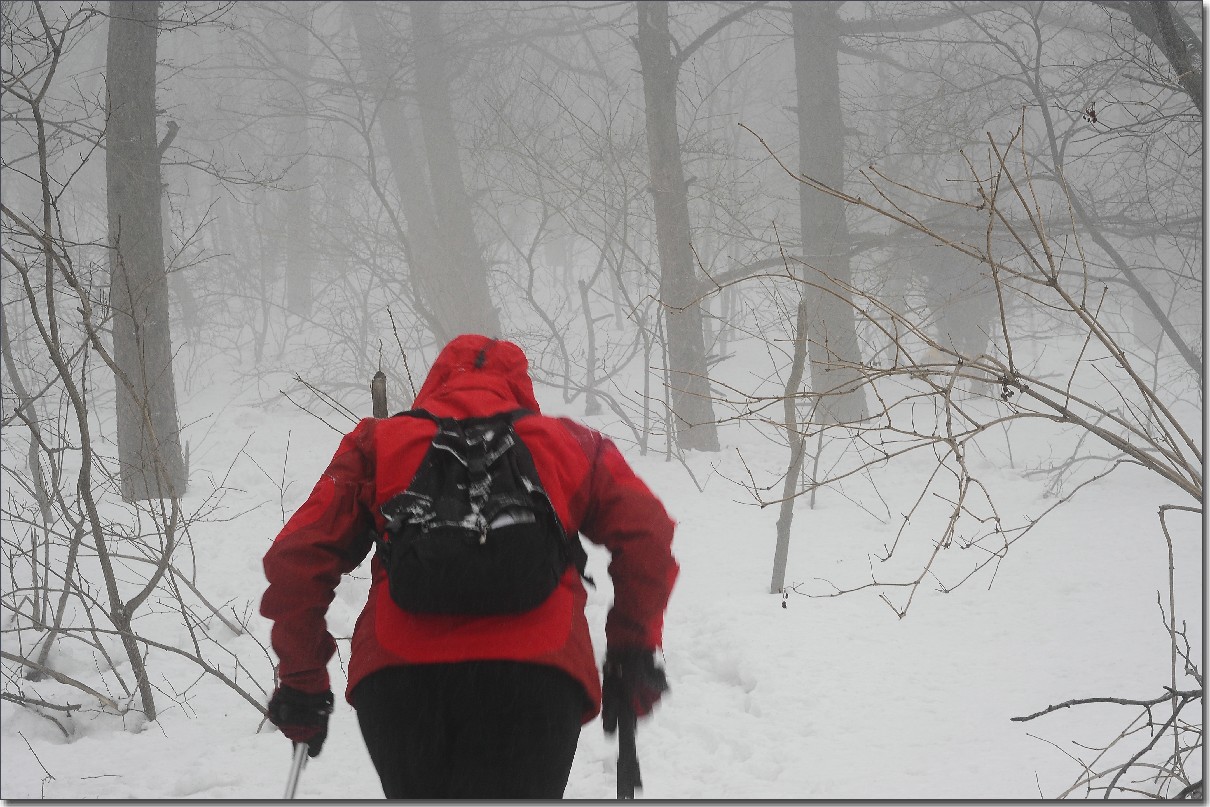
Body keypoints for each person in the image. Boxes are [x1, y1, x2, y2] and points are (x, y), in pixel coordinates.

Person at [260, 333, 678, 799]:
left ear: (435, 382)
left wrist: (303, 679)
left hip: (400, 682)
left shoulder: (377, 442)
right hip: (537, 681)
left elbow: (297, 557)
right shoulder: (571, 443)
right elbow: (648, 535)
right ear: (520, 387)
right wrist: (632, 650)